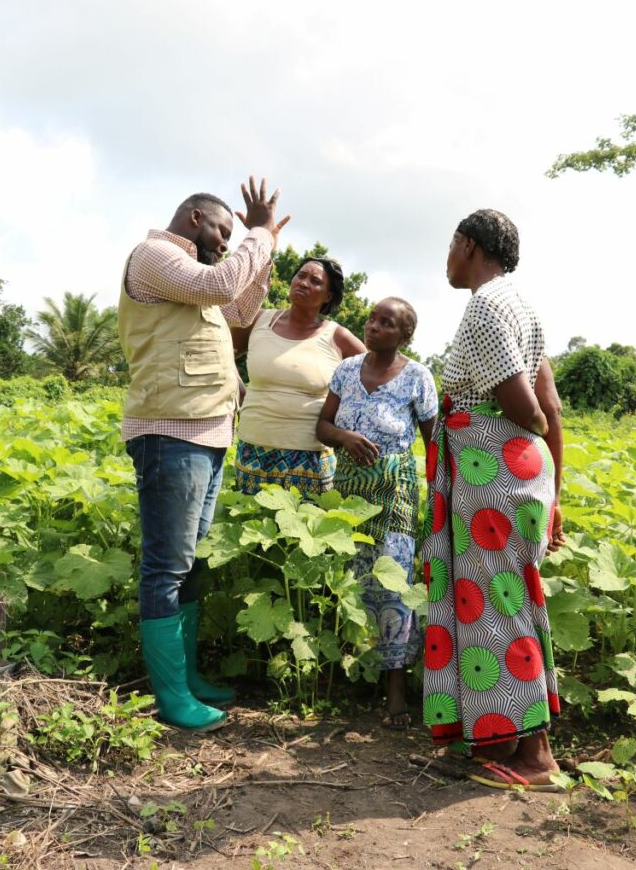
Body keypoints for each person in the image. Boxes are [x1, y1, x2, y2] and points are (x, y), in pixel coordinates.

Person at [119, 177, 288, 732]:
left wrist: (262, 256)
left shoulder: (195, 282)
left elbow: (238, 311)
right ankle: (171, 699)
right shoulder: (155, 256)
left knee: (188, 562)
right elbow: (220, 284)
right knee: (167, 565)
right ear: (194, 218)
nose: (225, 238)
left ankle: (187, 680)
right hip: (171, 433)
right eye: (222, 227)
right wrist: (257, 236)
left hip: (207, 433)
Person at [422, 209, 565, 790]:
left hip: (493, 470)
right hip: (516, 473)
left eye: (451, 246)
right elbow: (552, 407)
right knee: (511, 594)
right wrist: (553, 489)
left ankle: (535, 757)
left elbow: (527, 406)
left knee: (499, 599)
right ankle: (505, 733)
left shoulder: (484, 305)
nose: (447, 258)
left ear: (468, 244)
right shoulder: (520, 305)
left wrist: (515, 435)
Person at [317, 298, 438, 727]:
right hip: (349, 492)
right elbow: (322, 427)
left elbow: (432, 444)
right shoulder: (347, 370)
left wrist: (440, 494)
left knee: (394, 582)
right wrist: (345, 437)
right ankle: (352, 674)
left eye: (386, 323)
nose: (373, 327)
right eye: (372, 319)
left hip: (396, 494)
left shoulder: (418, 377)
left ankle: (396, 692)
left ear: (404, 335)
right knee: (351, 577)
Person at [232, 257, 365, 495]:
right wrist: (242, 395)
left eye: (315, 281)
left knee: (302, 529)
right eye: (301, 275)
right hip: (253, 450)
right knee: (251, 525)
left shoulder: (337, 337)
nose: (304, 283)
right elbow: (219, 354)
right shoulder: (259, 321)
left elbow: (375, 372)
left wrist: (342, 426)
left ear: (328, 296)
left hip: (310, 457)